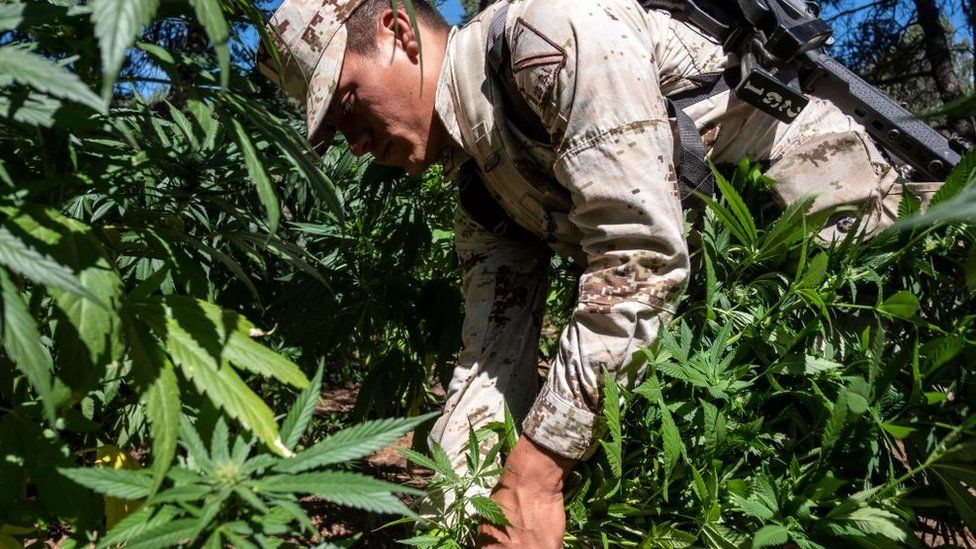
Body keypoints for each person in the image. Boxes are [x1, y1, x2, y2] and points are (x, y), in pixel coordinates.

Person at [257, 0, 936, 546]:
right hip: (734, 302)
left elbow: (639, 263)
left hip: (843, 243)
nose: (356, 144)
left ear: (399, 30)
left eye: (348, 106)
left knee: (897, 465)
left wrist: (536, 472)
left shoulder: (549, 32)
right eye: (333, 136)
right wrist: (455, 515)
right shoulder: (479, 186)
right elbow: (490, 363)